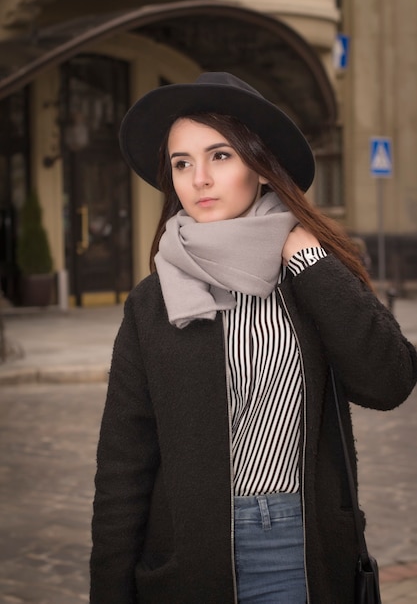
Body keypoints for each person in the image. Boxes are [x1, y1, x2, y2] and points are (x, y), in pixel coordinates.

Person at [90, 72, 417, 604]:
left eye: (219, 155)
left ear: (260, 169)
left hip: (300, 548)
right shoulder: (152, 303)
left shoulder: (310, 278)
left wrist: (311, 262)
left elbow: (390, 382)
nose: (199, 179)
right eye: (182, 162)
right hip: (187, 562)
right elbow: (123, 466)